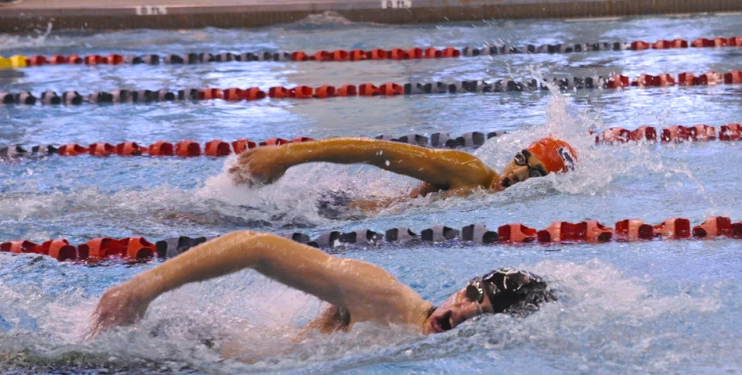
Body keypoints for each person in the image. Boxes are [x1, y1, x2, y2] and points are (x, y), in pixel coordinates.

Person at [91, 231, 553, 337]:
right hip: (185, 353)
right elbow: (256, 247)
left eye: (483, 314)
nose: (461, 312)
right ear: (461, 287)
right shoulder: (384, 298)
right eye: (471, 296)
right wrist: (140, 289)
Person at [228, 136, 577, 209]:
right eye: (521, 159)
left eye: (535, 173)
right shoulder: (468, 171)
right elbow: (375, 151)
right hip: (333, 211)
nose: (518, 173)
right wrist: (287, 156)